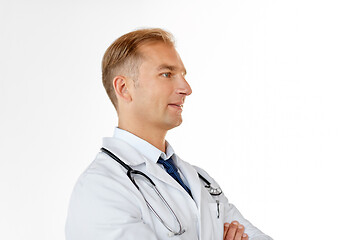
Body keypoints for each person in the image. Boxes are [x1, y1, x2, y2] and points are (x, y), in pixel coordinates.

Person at [65, 28, 272, 240]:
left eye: (183, 75)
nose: (186, 88)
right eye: (167, 74)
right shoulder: (101, 189)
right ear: (124, 88)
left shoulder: (199, 180)